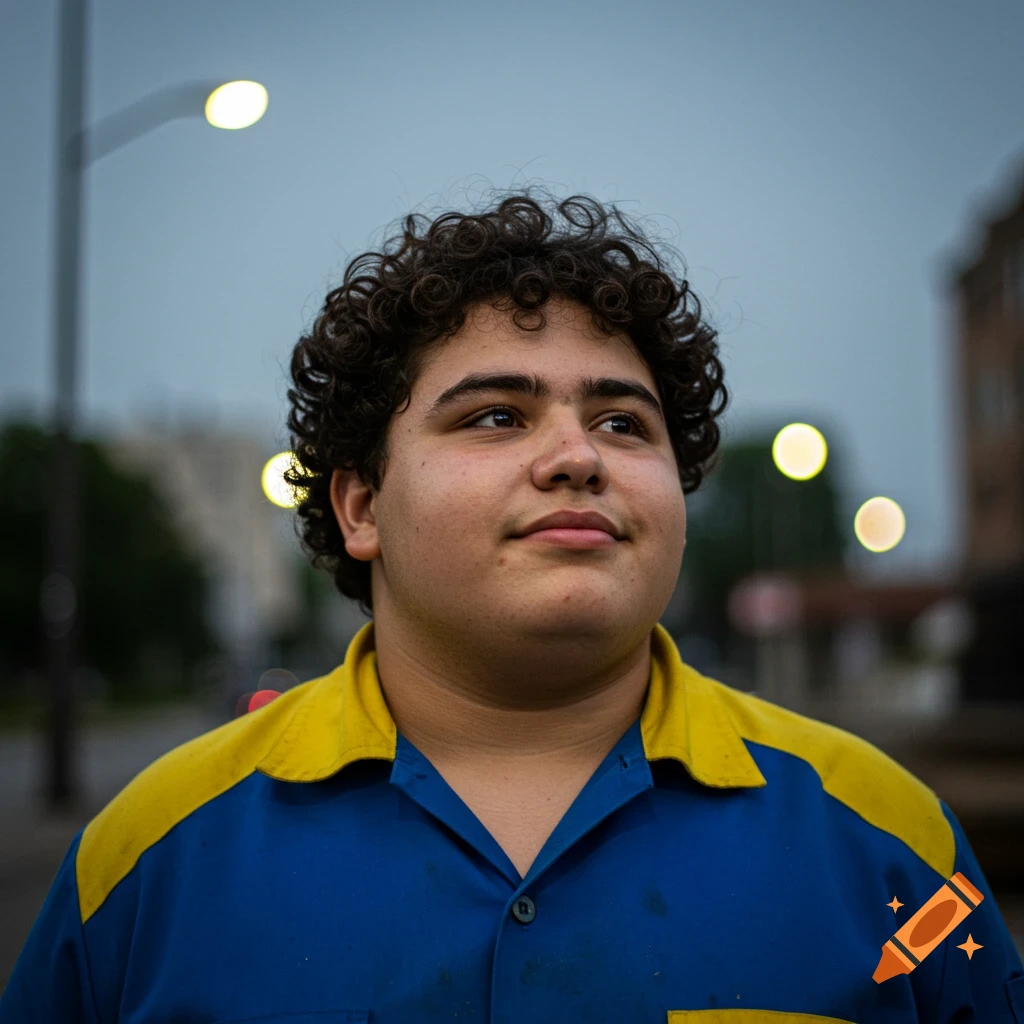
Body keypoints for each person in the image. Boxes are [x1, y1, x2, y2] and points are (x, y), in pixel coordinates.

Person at [2, 188, 1022, 1022]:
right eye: (496, 414)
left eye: (624, 422)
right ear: (360, 504)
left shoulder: (891, 849)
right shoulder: (151, 861)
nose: (577, 456)